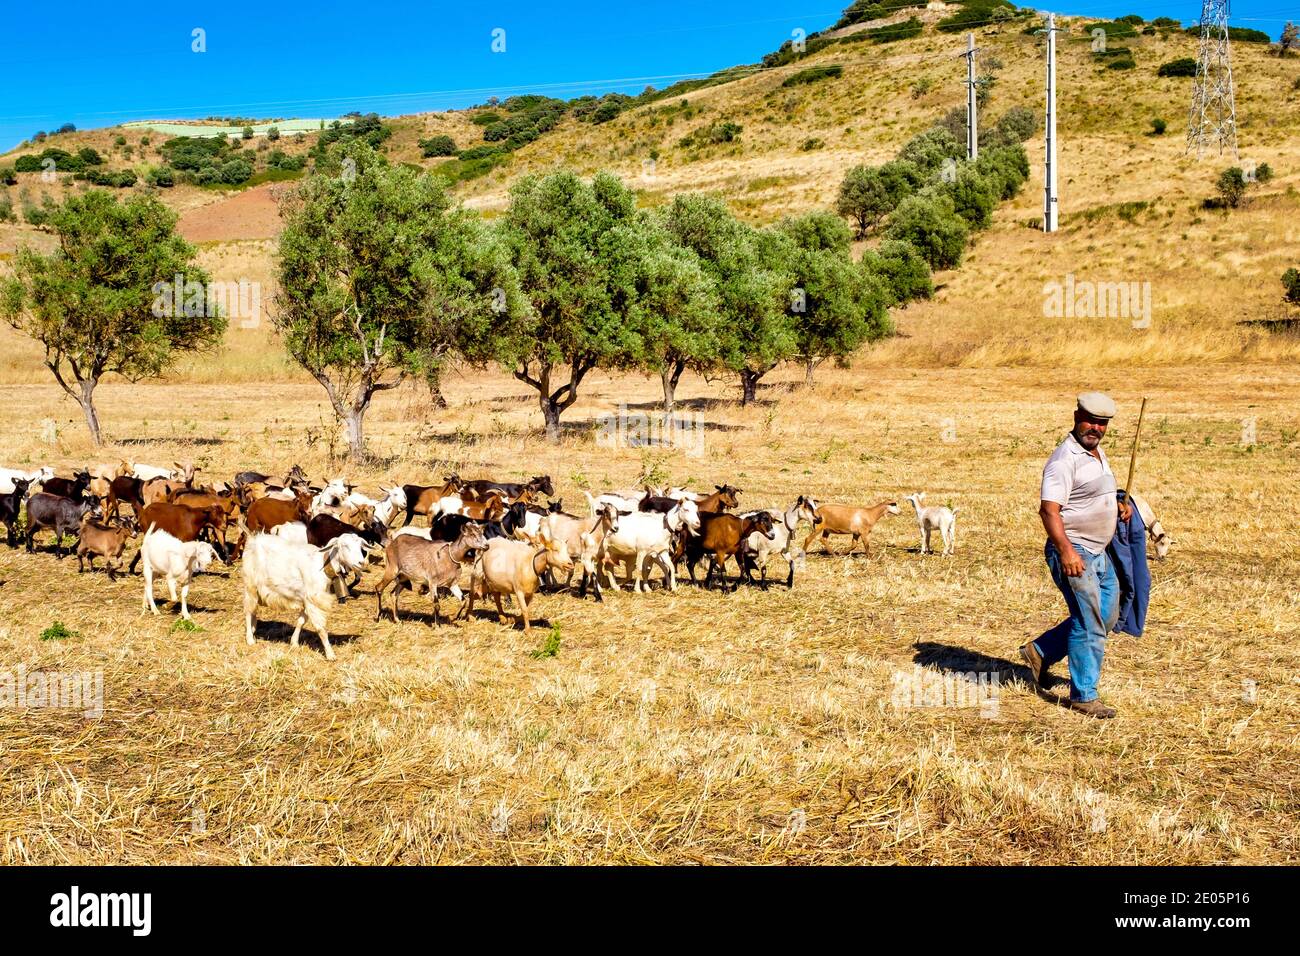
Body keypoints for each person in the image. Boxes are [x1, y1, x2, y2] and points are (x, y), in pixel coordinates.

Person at [1020, 392, 1132, 719]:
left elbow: (1094, 491)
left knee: (1107, 615)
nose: (1095, 428)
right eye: (1090, 420)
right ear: (1075, 416)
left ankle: (1040, 651)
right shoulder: (1063, 459)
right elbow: (1049, 511)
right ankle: (1084, 694)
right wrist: (1066, 550)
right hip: (1073, 551)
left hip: (1099, 552)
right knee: (1090, 621)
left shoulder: (1097, 453)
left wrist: (1117, 506)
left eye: (1102, 423)